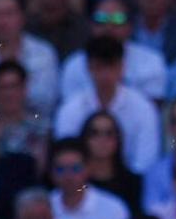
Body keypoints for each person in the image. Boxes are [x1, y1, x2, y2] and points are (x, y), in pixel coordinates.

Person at [55, 35, 159, 171]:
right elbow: (65, 156)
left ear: (122, 67)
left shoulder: (143, 108)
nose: (105, 75)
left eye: (111, 67)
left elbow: (145, 163)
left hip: (128, 184)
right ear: (88, 68)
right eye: (99, 67)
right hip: (82, 184)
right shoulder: (71, 109)